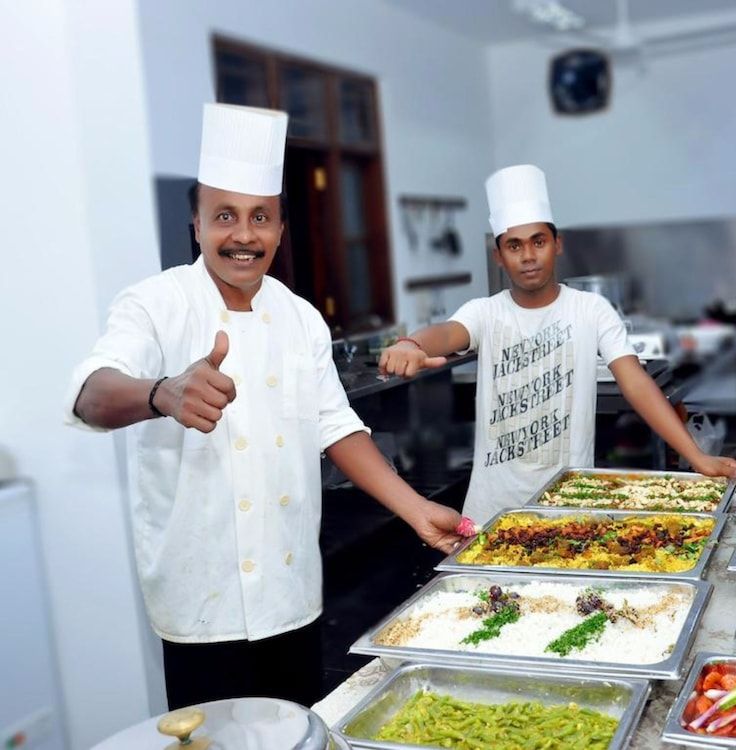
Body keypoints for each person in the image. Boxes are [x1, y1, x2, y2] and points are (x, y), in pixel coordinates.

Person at [66, 104, 467, 709]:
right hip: (198, 602)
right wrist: (161, 392)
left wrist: (415, 510)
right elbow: (91, 393)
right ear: (197, 225)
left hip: (291, 593)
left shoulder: (299, 316)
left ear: (281, 228)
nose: (244, 235)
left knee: (298, 730)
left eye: (261, 217)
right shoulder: (155, 303)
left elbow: (335, 426)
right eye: (224, 216)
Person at [380, 164, 736, 524]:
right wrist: (412, 343)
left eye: (538, 241)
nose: (527, 256)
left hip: (569, 503)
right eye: (514, 245)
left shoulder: (591, 309)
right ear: (499, 255)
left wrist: (697, 457)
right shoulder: (486, 313)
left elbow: (634, 382)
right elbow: (446, 333)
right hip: (492, 510)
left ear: (557, 244)